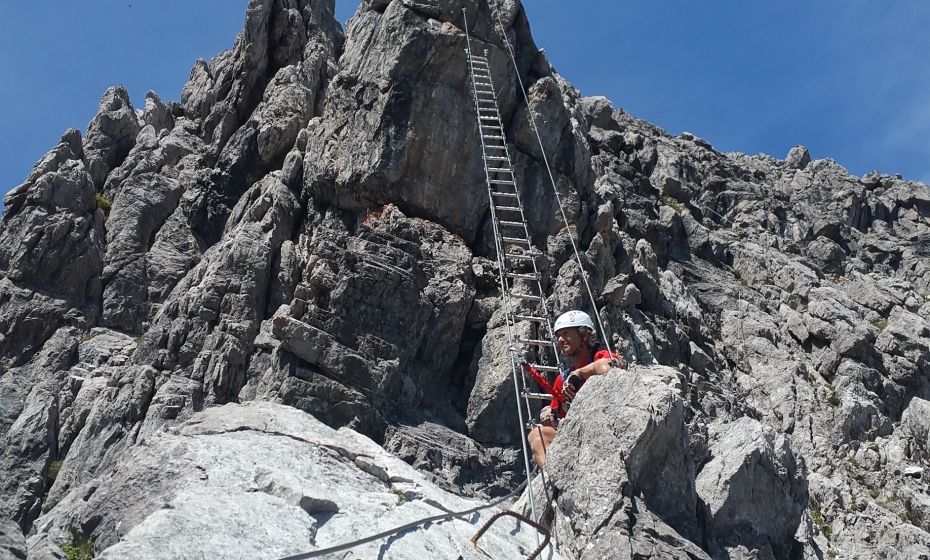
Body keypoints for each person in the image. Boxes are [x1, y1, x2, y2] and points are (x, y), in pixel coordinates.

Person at [527, 310, 622, 468]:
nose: (560, 339)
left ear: (584, 336)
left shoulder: (601, 356)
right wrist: (551, 418)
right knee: (537, 435)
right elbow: (559, 420)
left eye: (566, 333)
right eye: (558, 335)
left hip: (605, 432)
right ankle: (555, 479)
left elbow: (609, 367)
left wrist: (579, 374)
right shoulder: (562, 380)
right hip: (577, 437)